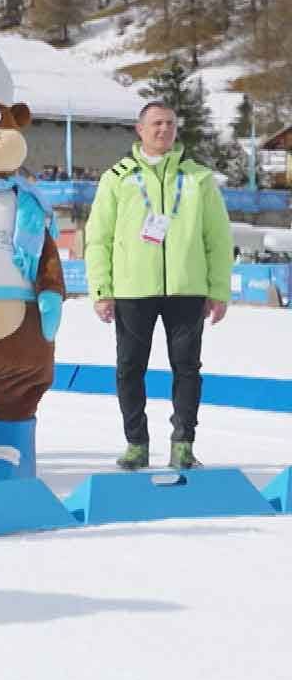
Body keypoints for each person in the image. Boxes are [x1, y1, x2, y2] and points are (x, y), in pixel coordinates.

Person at [84, 101, 234, 470]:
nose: (163, 129)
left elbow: (218, 237)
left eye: (169, 123)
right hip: (133, 289)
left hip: (187, 288)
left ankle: (183, 443)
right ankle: (137, 444)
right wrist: (101, 290)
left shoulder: (199, 178)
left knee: (187, 368)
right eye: (156, 123)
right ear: (140, 129)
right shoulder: (118, 177)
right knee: (129, 368)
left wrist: (219, 290)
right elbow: (98, 238)